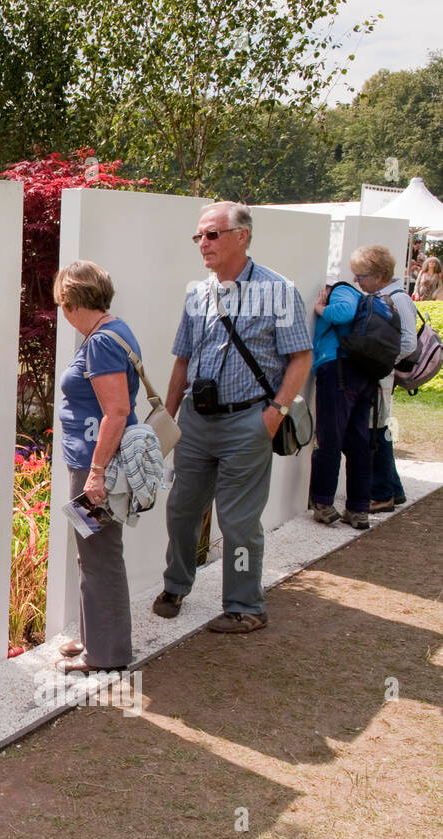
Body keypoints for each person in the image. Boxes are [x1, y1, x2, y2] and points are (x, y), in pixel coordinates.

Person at [154, 201, 313, 634]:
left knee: (238, 520)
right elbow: (183, 361)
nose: (202, 243)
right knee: (182, 509)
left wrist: (275, 414)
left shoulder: (278, 291)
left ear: (241, 236)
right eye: (198, 236)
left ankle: (246, 606)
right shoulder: (197, 292)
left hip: (248, 424)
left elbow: (301, 357)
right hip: (195, 423)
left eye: (212, 234)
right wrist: (168, 415)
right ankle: (176, 585)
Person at [52, 261, 140, 673]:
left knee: (101, 555)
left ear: (70, 301)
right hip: (91, 462)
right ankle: (94, 639)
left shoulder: (101, 342)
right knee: (93, 553)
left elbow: (117, 410)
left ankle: (106, 656)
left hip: (96, 465)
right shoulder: (111, 331)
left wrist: (96, 473)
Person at [349, 245, 419, 513]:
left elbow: (408, 343)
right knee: (379, 430)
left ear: (379, 275)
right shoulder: (385, 295)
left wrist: (379, 363)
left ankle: (382, 493)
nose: (357, 281)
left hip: (379, 375)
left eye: (361, 275)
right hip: (378, 373)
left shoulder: (398, 299)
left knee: (376, 433)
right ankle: (393, 489)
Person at [308, 280, 377, 528]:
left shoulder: (342, 290)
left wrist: (319, 308)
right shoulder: (363, 300)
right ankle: (358, 510)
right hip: (362, 373)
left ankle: (323, 503)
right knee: (358, 442)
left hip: (338, 371)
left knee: (329, 439)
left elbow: (343, 312)